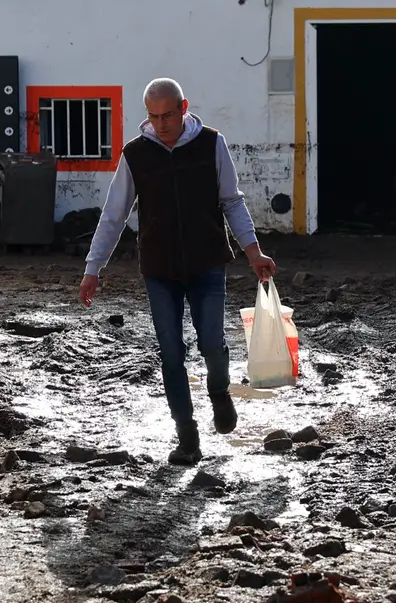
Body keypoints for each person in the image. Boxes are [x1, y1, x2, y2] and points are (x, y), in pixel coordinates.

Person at [79, 78, 276, 465]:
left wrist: (254, 253)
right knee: (171, 353)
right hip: (159, 267)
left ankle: (219, 391)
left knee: (212, 346)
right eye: (153, 117)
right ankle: (186, 436)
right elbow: (114, 215)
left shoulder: (211, 144)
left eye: (168, 115)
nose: (162, 124)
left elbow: (232, 203)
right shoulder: (135, 154)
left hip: (207, 262)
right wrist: (92, 269)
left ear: (183, 108)